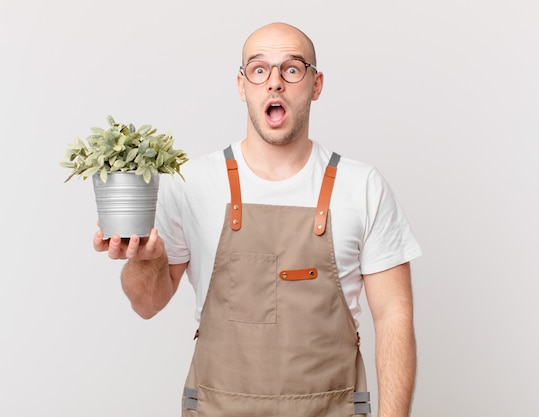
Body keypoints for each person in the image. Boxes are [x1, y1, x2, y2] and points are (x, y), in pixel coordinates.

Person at [94, 22, 422, 417]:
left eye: (293, 68)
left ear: (316, 85)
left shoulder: (363, 187)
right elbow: (146, 304)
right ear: (241, 85)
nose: (275, 83)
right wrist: (146, 258)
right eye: (259, 69)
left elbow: (394, 317)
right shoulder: (191, 183)